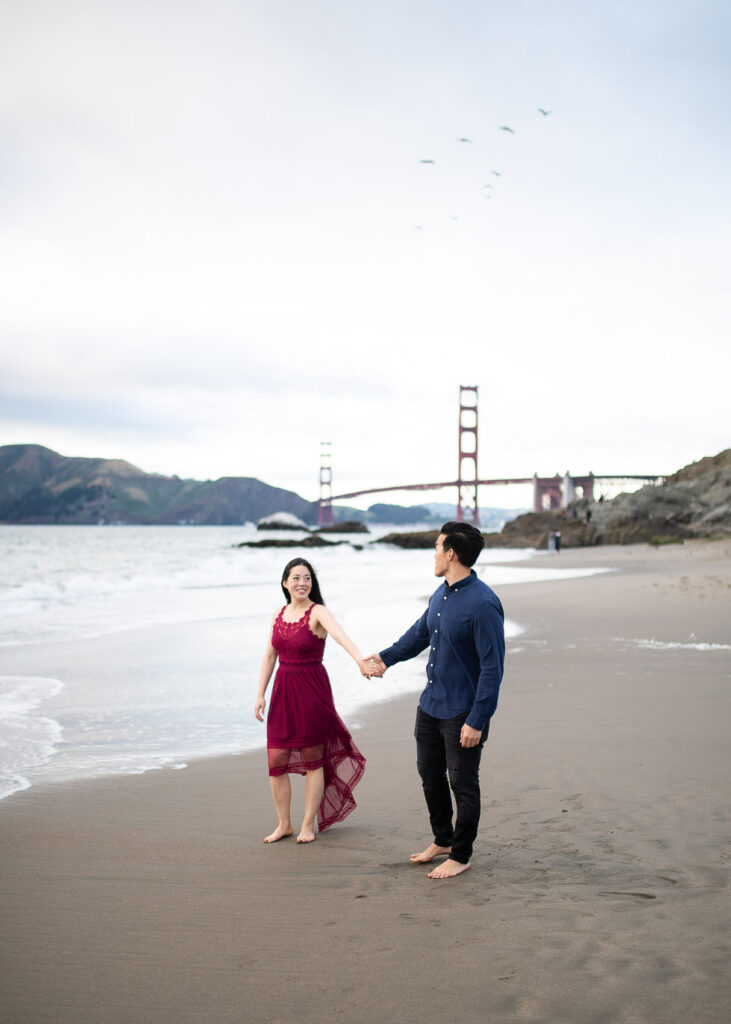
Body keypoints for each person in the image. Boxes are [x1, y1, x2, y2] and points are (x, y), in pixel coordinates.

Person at [365, 522, 505, 879]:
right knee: (430, 776)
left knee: (463, 782)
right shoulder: (440, 594)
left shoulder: (484, 604)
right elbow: (418, 635)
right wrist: (384, 659)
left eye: (437, 547)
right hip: (430, 705)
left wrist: (478, 719)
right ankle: (442, 839)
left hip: (463, 712)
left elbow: (492, 668)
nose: (434, 553)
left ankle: (460, 854)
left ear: (451, 553)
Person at [255, 558, 373, 844]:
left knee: (312, 760)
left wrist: (360, 660)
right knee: (276, 759)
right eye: (296, 578)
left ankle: (307, 824)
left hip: (311, 691)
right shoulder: (278, 614)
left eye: (307, 578)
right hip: (283, 691)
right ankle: (284, 824)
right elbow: (270, 655)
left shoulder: (318, 612)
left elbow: (341, 636)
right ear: (285, 583)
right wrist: (260, 693)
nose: (302, 583)